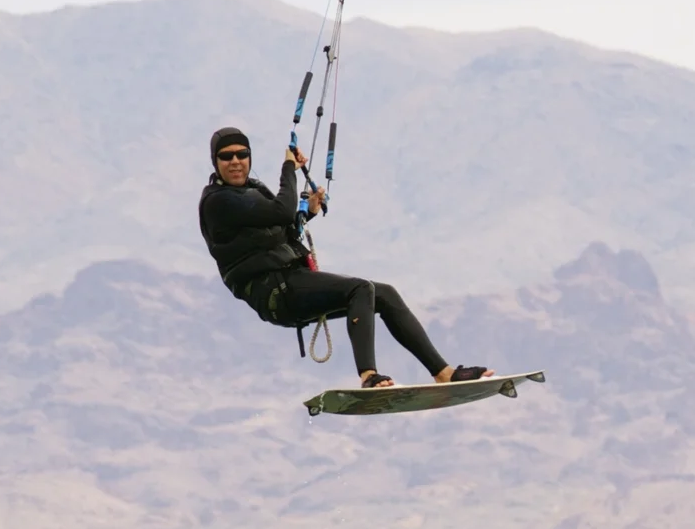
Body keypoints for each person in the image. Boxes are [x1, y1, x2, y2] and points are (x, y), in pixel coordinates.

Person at [198, 126, 488, 389]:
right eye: (226, 157)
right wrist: (289, 166)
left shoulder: (252, 191)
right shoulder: (218, 202)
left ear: (249, 156)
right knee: (360, 289)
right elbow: (282, 211)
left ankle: (443, 372)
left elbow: (283, 226)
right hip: (274, 293)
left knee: (383, 293)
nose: (235, 161)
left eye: (242, 154)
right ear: (216, 162)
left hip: (291, 282)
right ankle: (368, 376)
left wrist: (308, 212)